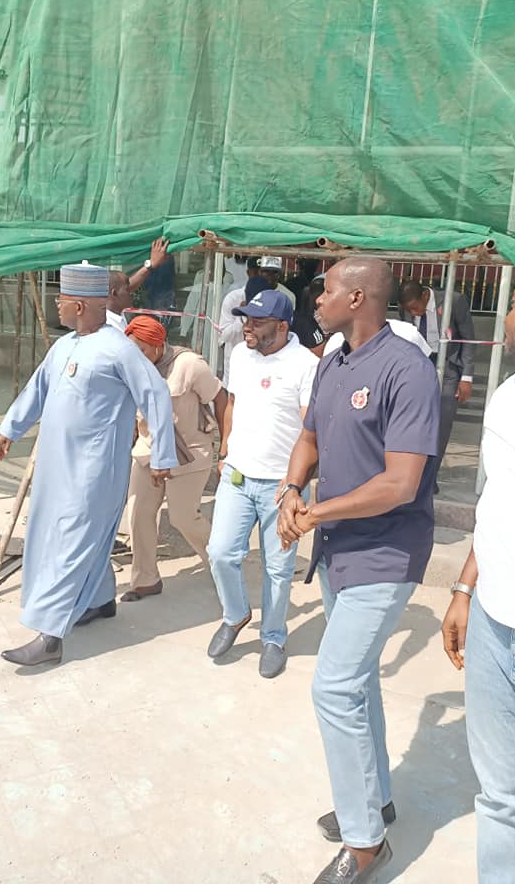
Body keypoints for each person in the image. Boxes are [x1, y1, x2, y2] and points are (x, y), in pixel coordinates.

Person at [278, 257, 440, 884]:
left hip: (386, 552)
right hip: (337, 550)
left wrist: (315, 512)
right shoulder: (332, 361)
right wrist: (292, 489)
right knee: (360, 680)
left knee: (334, 686)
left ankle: (367, 842)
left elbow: (401, 484)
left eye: (325, 290)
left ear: (356, 298)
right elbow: (310, 439)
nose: (315, 300)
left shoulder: (408, 369)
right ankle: (375, 800)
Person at [0, 262, 177, 667]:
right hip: (57, 464)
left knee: (71, 541)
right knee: (60, 535)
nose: (56, 305)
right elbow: (38, 388)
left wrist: (162, 455)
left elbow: (156, 396)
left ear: (78, 306)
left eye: (60, 300)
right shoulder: (64, 346)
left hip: (95, 470)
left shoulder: (118, 349)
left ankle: (50, 636)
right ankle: (100, 600)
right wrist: (10, 428)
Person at [441, 268, 515, 884]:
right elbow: (498, 503)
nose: (506, 315)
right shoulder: (511, 394)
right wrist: (464, 588)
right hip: (493, 630)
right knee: (502, 799)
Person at [206, 289, 318, 679]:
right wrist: (225, 450)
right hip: (237, 476)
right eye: (245, 319)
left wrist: (296, 483)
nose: (246, 327)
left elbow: (310, 429)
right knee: (221, 552)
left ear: (282, 326)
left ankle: (273, 638)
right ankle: (235, 614)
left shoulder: (306, 364)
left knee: (278, 569)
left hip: (281, 487)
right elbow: (232, 405)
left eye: (257, 321)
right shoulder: (240, 355)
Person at [122, 315, 228, 601]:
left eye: (143, 349)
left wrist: (226, 444)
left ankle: (223, 567)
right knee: (138, 513)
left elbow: (221, 398)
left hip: (189, 454)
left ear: (158, 345)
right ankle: (145, 579)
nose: (137, 356)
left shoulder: (188, 365)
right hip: (148, 451)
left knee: (184, 518)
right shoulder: (132, 369)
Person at [398, 279, 476, 482]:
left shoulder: (454, 301)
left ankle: (430, 478)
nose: (413, 313)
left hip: (448, 365)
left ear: (425, 295)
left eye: (415, 308)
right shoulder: (406, 308)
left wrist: (466, 377)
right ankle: (412, 473)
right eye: (408, 310)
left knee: (442, 419)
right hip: (418, 365)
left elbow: (468, 339)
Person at [106, 237, 173, 332]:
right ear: (114, 293)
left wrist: (151, 264)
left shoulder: (117, 316)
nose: (132, 292)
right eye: (127, 289)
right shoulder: (108, 325)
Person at [218, 275, 270, 387]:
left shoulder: (272, 306)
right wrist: (242, 318)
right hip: (234, 363)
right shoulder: (232, 299)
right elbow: (224, 336)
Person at [322, 318, 432, 357]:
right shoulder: (336, 341)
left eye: (329, 292)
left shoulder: (407, 332)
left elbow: (426, 363)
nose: (320, 299)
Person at [290, 277, 326, 356]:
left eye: (320, 294)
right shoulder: (302, 320)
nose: (318, 299)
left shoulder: (334, 313)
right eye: (314, 294)